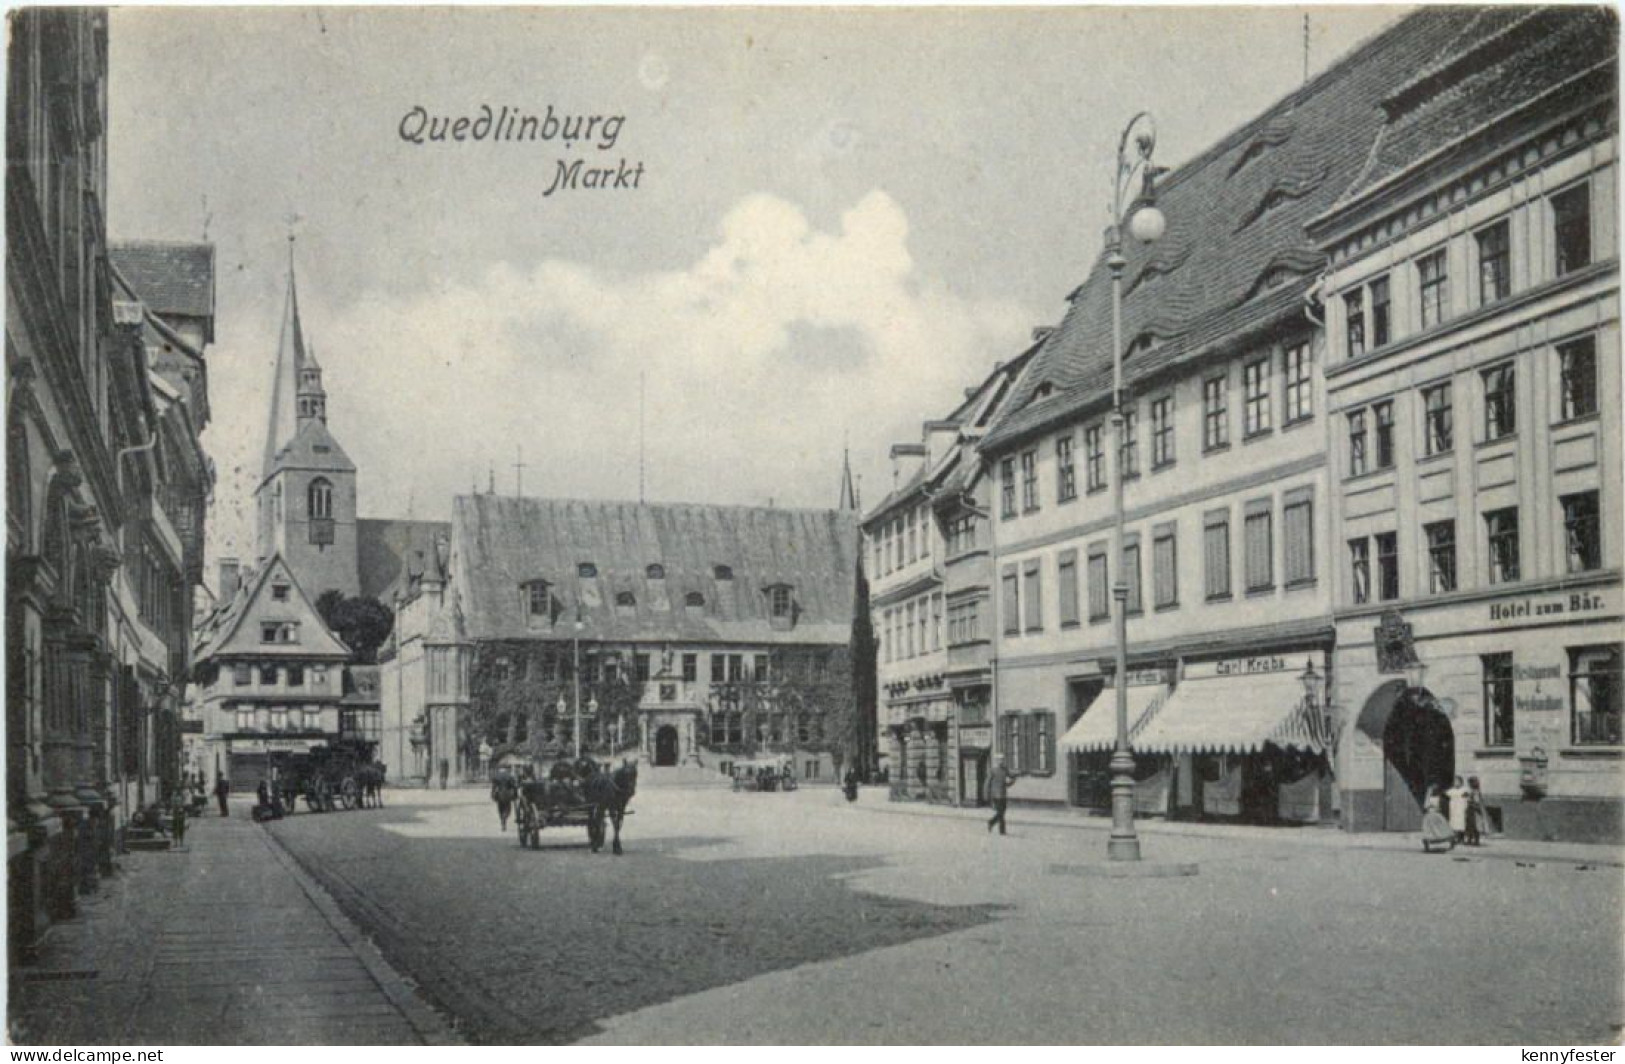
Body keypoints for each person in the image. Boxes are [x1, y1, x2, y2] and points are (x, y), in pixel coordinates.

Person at [1420, 784, 1455, 852]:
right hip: (1433, 814)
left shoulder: (1433, 798)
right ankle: (1451, 842)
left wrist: (1430, 807)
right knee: (1435, 830)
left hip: (1432, 814)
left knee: (1432, 830)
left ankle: (1427, 847)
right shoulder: (1436, 798)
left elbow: (1426, 806)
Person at [986, 758, 1016, 835]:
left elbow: (1010, 778)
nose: (1001, 761)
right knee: (1000, 812)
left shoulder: (1005, 770)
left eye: (1002, 760)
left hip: (1003, 794)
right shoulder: (993, 770)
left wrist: (1012, 781)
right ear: (996, 761)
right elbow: (988, 783)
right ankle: (1000, 829)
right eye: (999, 760)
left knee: (1002, 812)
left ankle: (992, 823)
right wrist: (987, 794)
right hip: (996, 795)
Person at [1445, 775, 1469, 845]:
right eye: (1455, 782)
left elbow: (1466, 798)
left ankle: (1461, 838)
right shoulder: (1451, 791)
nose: (1456, 783)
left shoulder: (1464, 790)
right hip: (1453, 809)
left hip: (1461, 808)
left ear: (1461, 782)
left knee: (1461, 823)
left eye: (1458, 781)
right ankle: (1454, 838)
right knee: (1454, 823)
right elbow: (1446, 796)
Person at [1465, 776, 1487, 846]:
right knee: (1470, 825)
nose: (1469, 784)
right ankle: (1470, 839)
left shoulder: (1475, 792)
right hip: (1471, 809)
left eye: (1470, 783)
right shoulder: (1473, 791)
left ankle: (1475, 840)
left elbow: (1476, 801)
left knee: (1475, 825)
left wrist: (1470, 801)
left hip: (1474, 810)